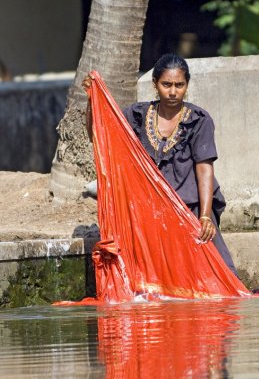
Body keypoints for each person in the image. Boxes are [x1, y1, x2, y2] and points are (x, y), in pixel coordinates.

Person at [82, 53, 238, 276]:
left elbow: (204, 168)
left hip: (189, 208)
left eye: (179, 85)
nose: (173, 91)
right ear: (155, 84)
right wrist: (92, 101)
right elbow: (100, 136)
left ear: (187, 85)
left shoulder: (199, 120)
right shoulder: (136, 115)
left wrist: (204, 215)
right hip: (147, 210)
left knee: (218, 274)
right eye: (167, 85)